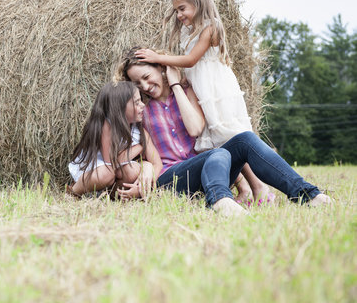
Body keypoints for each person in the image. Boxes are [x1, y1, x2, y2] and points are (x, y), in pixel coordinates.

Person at [114, 47, 332, 216]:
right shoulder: (139, 108)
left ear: (162, 68)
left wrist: (175, 85)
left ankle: (307, 194)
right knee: (218, 153)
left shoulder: (187, 91)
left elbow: (195, 128)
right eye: (137, 82)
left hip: (208, 171)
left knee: (244, 140)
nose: (143, 85)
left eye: (146, 76)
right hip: (171, 179)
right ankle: (220, 201)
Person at [134, 0, 270, 205]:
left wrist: (158, 58)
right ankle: (244, 188)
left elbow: (190, 60)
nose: (179, 14)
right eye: (176, 10)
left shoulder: (210, 26)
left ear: (198, 3)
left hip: (216, 91)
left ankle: (259, 187)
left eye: (182, 8)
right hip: (202, 91)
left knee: (231, 137)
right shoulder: (191, 31)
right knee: (218, 142)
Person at [68, 81, 162, 199]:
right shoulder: (106, 126)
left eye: (141, 100)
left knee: (132, 171)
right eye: (137, 102)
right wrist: (140, 147)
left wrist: (147, 175)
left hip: (114, 175)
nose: (143, 105)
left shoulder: (140, 132)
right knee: (107, 174)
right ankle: (73, 192)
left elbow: (157, 163)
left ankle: (112, 195)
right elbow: (113, 163)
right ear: (119, 108)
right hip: (98, 170)